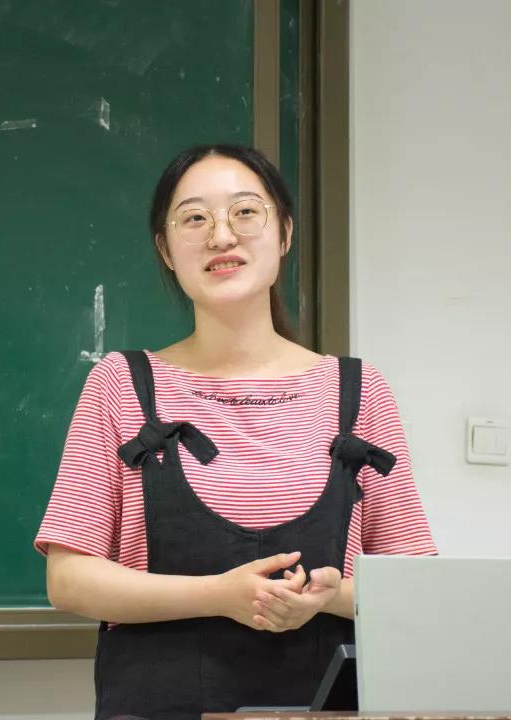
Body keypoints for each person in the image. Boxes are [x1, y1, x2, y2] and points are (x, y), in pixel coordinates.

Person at [34, 144, 436, 720]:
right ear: (165, 249)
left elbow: (415, 587)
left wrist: (328, 598)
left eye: (246, 212)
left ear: (285, 232)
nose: (221, 236)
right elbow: (69, 579)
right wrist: (219, 595)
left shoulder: (358, 390)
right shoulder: (122, 383)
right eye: (195, 218)